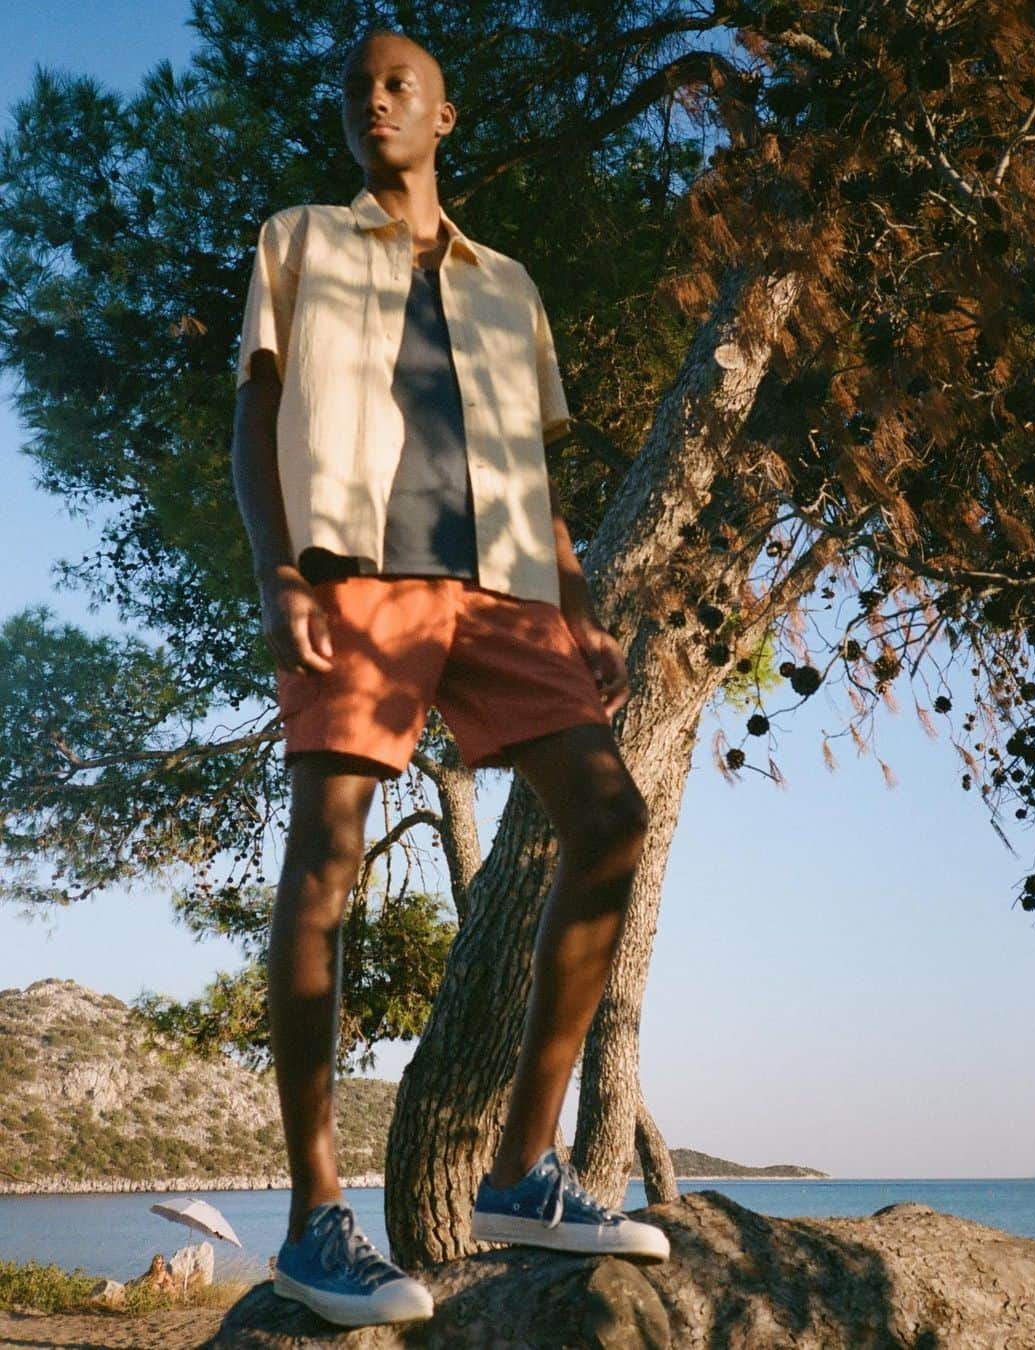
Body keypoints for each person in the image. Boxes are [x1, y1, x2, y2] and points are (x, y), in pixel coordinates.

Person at [231, 26, 668, 1330]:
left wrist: (579, 608)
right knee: (326, 860)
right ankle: (316, 1217)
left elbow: (528, 470)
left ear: (447, 115)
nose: (375, 98)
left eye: (399, 82)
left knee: (608, 817)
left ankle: (523, 1165)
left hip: (506, 589)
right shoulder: (299, 238)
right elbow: (255, 411)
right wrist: (276, 575)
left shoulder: (504, 285)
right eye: (358, 84)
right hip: (354, 569)